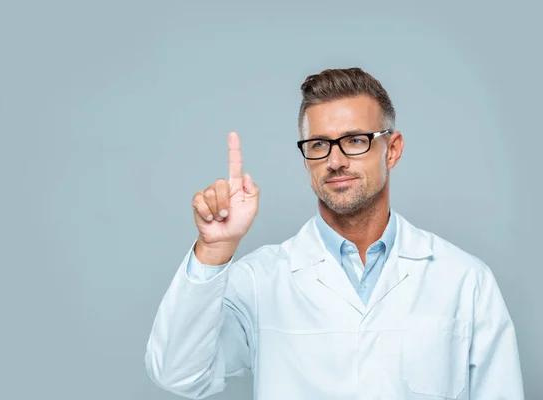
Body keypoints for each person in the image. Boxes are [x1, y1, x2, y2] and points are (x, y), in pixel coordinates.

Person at [145, 68, 524, 399]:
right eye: (319, 145)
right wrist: (215, 249)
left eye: (356, 140)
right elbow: (177, 374)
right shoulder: (260, 281)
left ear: (392, 150)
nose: (335, 160)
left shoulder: (463, 280)